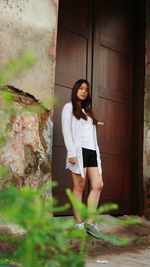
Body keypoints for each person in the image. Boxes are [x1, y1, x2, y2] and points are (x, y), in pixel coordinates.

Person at [61, 79, 103, 237]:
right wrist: (71, 152)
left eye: (86, 89)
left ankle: (90, 223)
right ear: (75, 90)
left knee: (98, 185)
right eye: (81, 88)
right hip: (78, 152)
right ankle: (78, 223)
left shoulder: (88, 111)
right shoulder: (68, 107)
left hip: (92, 151)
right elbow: (66, 130)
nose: (84, 91)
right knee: (79, 186)